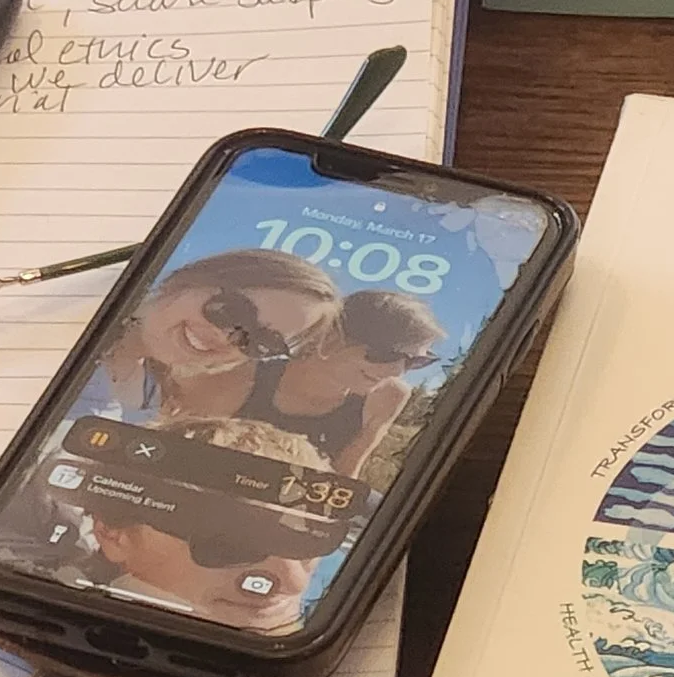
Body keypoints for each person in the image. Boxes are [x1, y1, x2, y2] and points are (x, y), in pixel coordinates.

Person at [73, 415, 339, 633]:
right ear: (112, 535)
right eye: (238, 543)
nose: (295, 583)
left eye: (308, 542)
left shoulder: (338, 595)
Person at [90, 249, 340, 422]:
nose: (225, 337)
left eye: (261, 341)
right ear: (195, 278)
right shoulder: (88, 320)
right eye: (232, 309)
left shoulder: (151, 397)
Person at [254, 289, 447, 480]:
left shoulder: (387, 395)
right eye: (386, 354)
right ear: (332, 335)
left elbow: (343, 480)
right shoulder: (250, 374)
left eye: (415, 362)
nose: (397, 371)